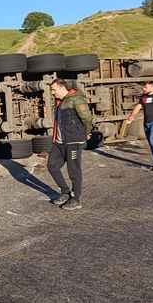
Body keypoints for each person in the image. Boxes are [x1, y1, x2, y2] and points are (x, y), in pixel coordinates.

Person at [47, 79, 92, 211]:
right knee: (52, 165)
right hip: (60, 141)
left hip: (73, 141)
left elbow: (87, 118)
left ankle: (75, 198)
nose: (52, 92)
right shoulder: (60, 102)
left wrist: (86, 132)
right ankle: (65, 192)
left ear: (62, 88)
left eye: (54, 89)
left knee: (74, 171)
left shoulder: (76, 99)